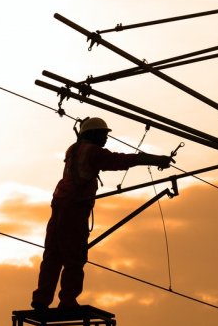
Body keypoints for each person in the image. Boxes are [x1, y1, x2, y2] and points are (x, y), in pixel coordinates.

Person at [31, 117, 174, 310]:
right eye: (103, 135)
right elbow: (120, 160)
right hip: (75, 208)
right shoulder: (92, 152)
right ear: (93, 134)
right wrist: (154, 159)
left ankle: (41, 299)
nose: (106, 139)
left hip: (59, 205)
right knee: (75, 256)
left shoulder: (73, 149)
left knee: (53, 254)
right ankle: (67, 301)